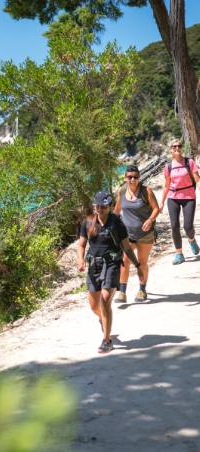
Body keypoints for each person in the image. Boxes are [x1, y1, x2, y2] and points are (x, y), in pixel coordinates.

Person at [78, 191, 144, 354]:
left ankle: (107, 340)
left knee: (105, 300)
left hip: (112, 264)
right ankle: (103, 319)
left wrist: (137, 265)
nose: (100, 209)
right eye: (97, 206)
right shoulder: (88, 222)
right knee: (94, 306)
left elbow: (127, 247)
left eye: (103, 206)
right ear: (94, 206)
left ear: (109, 207)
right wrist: (80, 260)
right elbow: (81, 245)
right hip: (94, 265)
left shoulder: (117, 223)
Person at [114, 165, 159, 303]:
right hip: (128, 235)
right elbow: (116, 211)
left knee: (142, 262)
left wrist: (150, 220)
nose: (133, 179)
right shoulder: (121, 191)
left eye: (135, 177)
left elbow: (156, 208)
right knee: (125, 261)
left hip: (145, 235)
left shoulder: (146, 191)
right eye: (130, 177)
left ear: (139, 177)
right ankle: (122, 292)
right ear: (125, 178)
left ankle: (142, 290)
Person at [159, 138, 200, 265]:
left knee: (188, 226)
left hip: (189, 196)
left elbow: (197, 180)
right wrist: (161, 202)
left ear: (181, 148)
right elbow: (166, 185)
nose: (177, 148)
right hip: (173, 197)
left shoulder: (190, 162)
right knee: (174, 226)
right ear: (171, 149)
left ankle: (192, 240)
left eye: (178, 146)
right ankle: (179, 254)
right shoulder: (168, 166)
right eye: (174, 146)